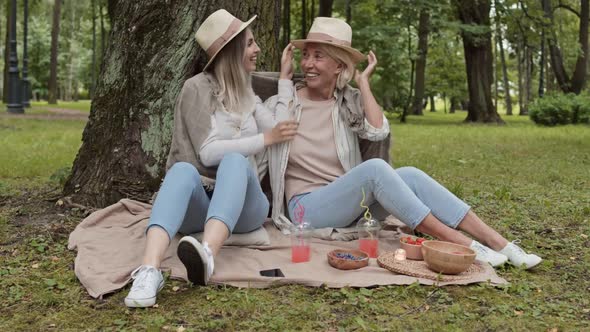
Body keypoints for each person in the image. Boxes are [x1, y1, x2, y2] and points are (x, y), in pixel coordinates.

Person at [265, 17, 542, 271]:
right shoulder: (286, 101)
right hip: (306, 210)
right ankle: (464, 245)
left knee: (410, 175)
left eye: (318, 56)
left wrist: (364, 84)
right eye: (305, 56)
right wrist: (284, 82)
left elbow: (377, 131)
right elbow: (275, 130)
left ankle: (501, 244)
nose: (307, 64)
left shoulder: (347, 102)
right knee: (375, 169)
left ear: (339, 65)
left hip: (349, 206)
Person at [124, 9, 297, 308]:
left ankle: (207, 253)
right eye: (250, 43)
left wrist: (284, 79)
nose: (257, 50)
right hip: (203, 200)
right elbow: (206, 151)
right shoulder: (197, 89)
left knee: (235, 161)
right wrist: (263, 140)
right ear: (232, 51)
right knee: (180, 170)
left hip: (246, 206)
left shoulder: (247, 92)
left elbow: (278, 130)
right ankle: (149, 271)